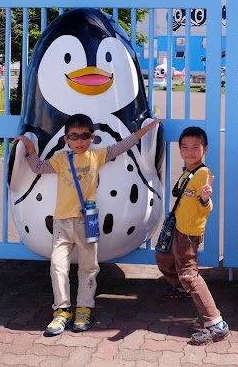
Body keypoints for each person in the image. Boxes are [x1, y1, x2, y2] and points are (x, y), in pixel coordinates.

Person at [15, 113, 161, 335]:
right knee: (58, 267)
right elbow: (38, 167)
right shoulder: (61, 159)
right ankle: (62, 310)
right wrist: (28, 146)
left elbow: (122, 146)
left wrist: (144, 131)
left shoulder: (97, 156)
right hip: (62, 222)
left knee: (88, 268)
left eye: (85, 136)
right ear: (66, 139)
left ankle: (84, 308)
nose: (79, 141)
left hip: (88, 221)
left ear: (92, 137)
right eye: (74, 136)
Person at [155, 126, 230, 345]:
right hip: (178, 228)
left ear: (204, 149)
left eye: (195, 147)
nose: (190, 151)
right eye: (185, 147)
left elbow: (205, 206)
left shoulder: (202, 173)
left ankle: (216, 324)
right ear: (180, 150)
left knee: (189, 274)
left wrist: (205, 199)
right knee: (164, 258)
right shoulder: (187, 171)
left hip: (189, 233)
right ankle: (181, 287)